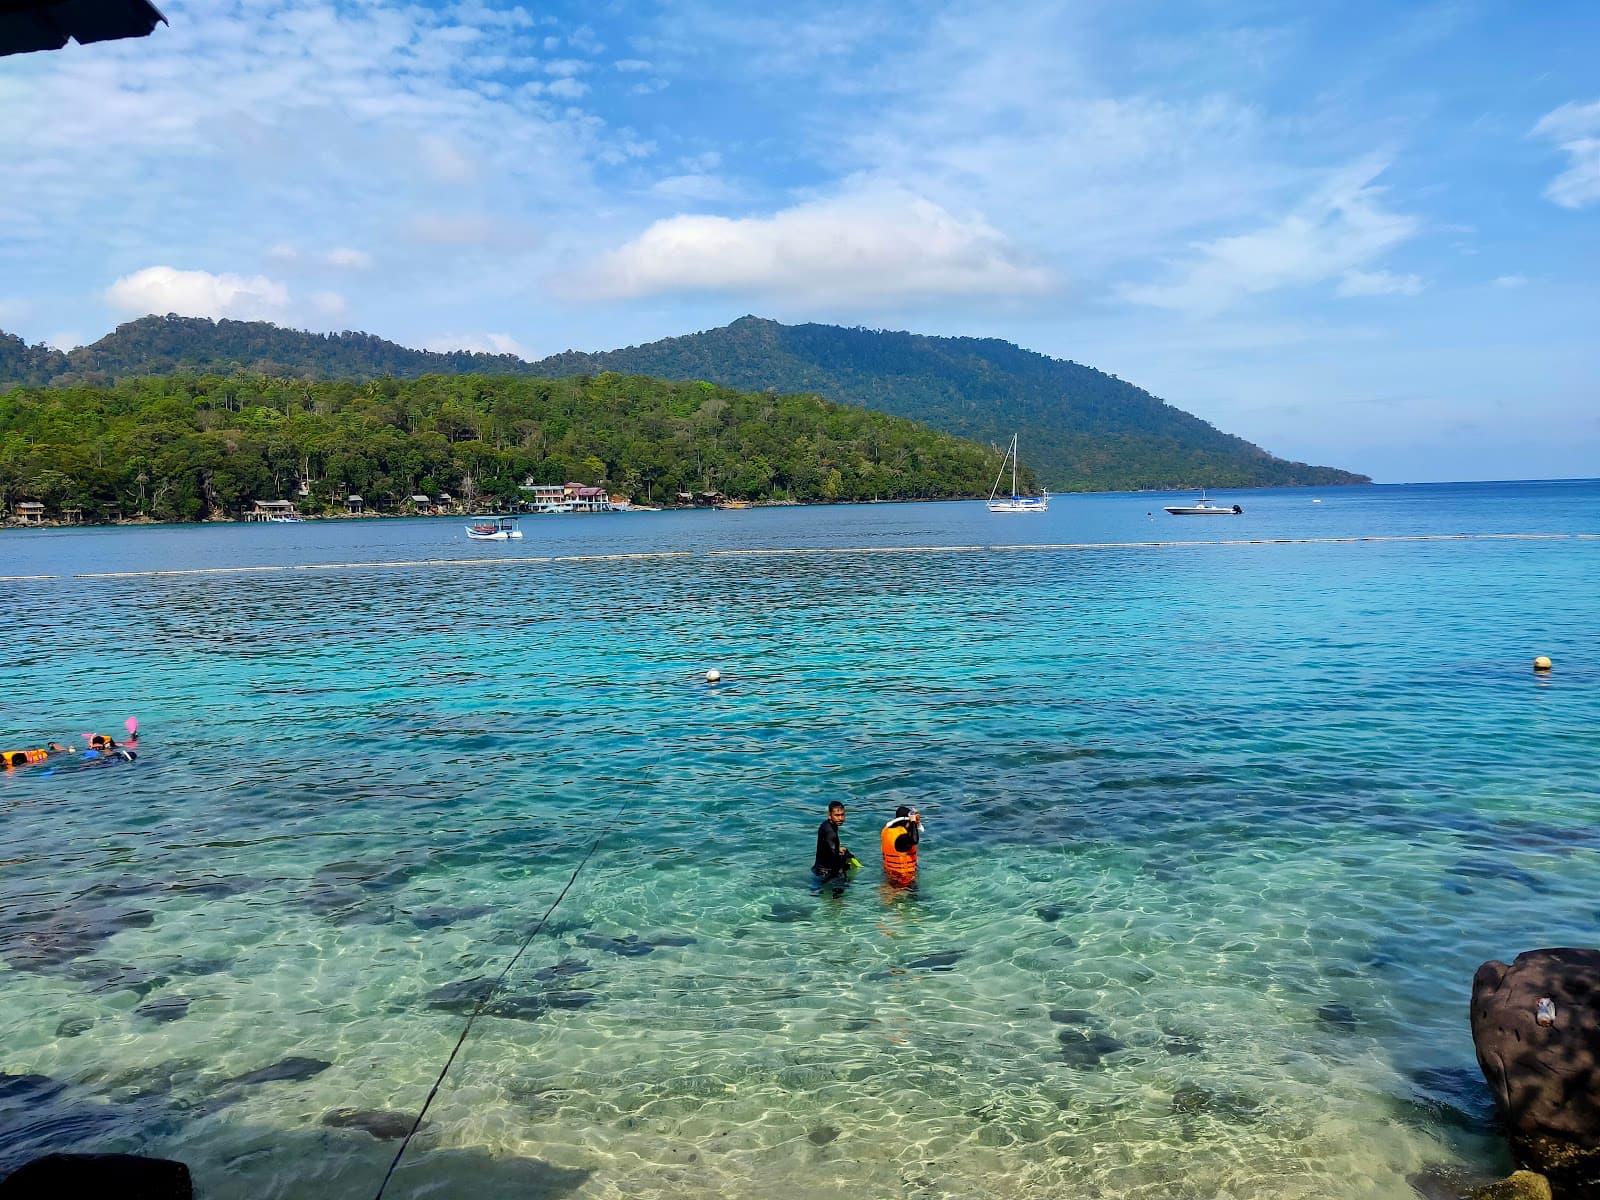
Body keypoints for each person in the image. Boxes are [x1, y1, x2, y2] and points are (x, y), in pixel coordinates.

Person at [880, 805, 922, 887]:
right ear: (905, 822)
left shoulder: (889, 832)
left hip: (890, 875)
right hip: (903, 881)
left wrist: (915, 821)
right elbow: (914, 840)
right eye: (909, 822)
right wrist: (913, 822)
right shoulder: (901, 839)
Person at [812, 801, 852, 885]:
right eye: (837, 815)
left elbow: (827, 845)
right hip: (827, 873)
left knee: (817, 893)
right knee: (841, 893)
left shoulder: (826, 825)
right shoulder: (831, 832)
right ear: (829, 815)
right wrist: (844, 864)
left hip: (818, 869)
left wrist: (837, 848)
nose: (840, 818)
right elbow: (835, 857)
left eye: (842, 815)